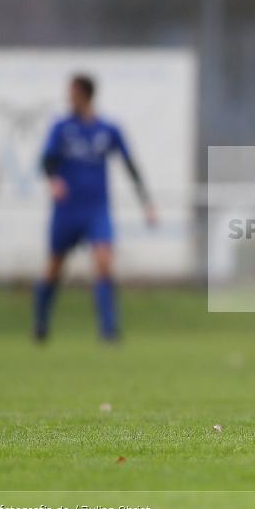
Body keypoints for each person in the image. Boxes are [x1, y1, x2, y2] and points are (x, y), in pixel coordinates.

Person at [33, 74, 156, 342]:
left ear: (85, 96)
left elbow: (129, 165)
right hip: (66, 210)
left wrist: (146, 203)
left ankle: (108, 330)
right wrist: (54, 181)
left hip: (96, 210)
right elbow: (46, 162)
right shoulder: (62, 128)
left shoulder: (108, 130)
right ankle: (40, 325)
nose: (69, 99)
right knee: (54, 267)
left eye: (73, 94)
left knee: (104, 262)